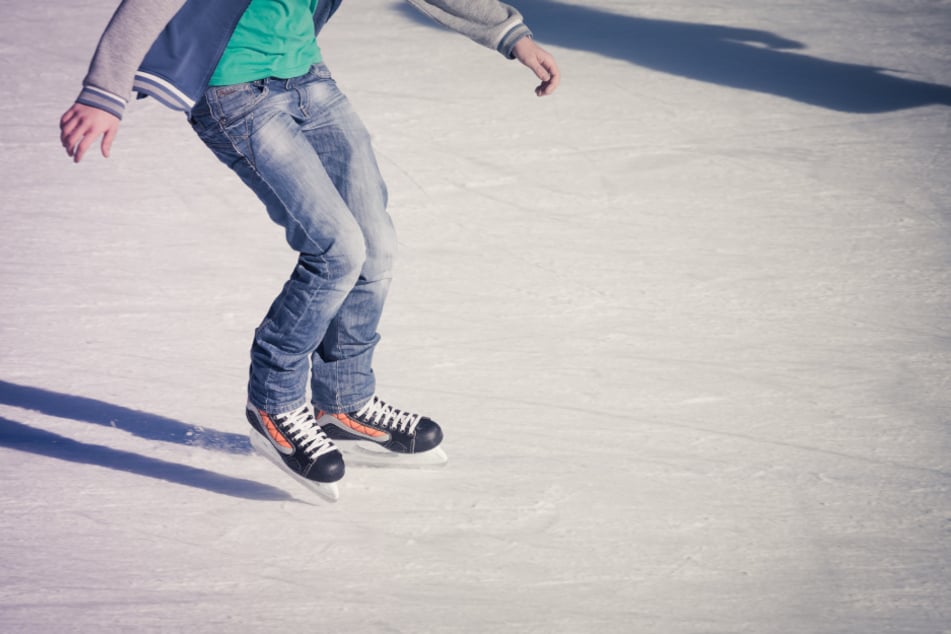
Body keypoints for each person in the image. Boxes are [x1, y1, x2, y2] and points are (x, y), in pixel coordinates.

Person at [59, 0, 560, 500]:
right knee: (337, 249)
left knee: (376, 246)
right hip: (233, 95)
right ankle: (273, 404)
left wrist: (510, 34)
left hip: (307, 78)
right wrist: (103, 94)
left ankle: (344, 402)